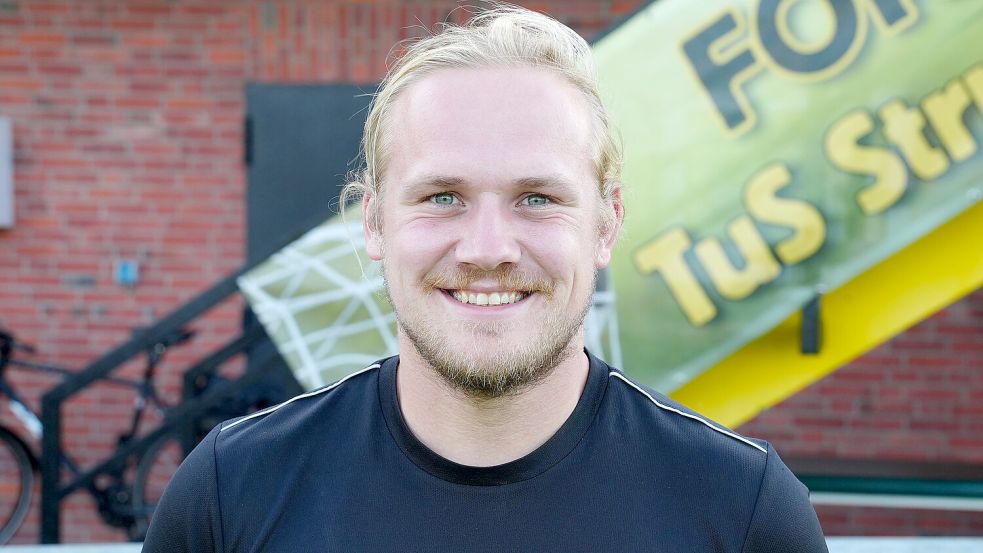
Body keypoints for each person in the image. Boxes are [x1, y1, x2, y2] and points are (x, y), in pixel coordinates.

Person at [143, 5, 828, 552]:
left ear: (606, 222)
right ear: (374, 222)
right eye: (442, 196)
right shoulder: (232, 492)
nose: (488, 248)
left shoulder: (741, 511)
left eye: (537, 197)